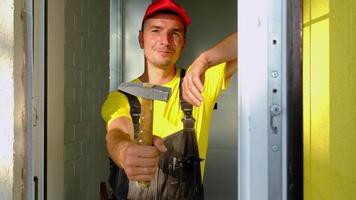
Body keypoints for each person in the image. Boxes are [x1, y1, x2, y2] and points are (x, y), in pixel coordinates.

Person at [101, 0, 237, 199]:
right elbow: (117, 132)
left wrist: (205, 59)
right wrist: (124, 152)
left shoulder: (198, 83)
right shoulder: (122, 97)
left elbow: (256, 34)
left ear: (183, 43)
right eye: (156, 30)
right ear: (141, 38)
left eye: (175, 32)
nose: (165, 40)